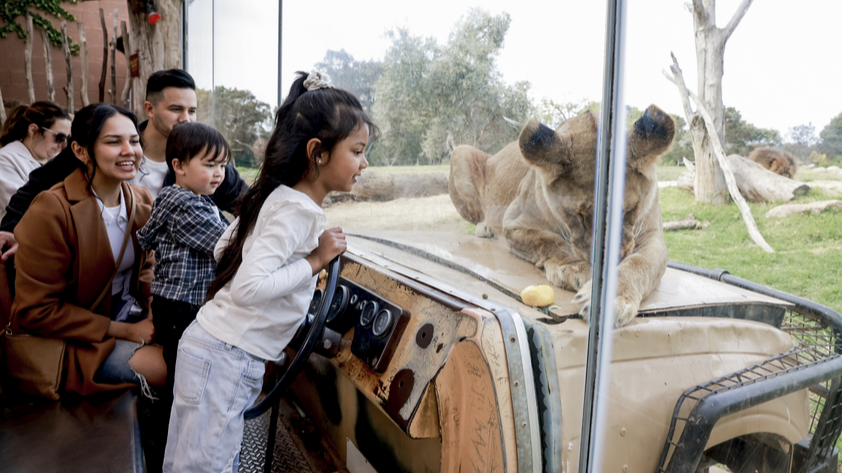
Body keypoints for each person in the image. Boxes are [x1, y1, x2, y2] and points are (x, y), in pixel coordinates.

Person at [162, 71, 378, 473]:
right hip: (226, 357)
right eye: (358, 150)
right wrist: (314, 261)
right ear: (318, 152)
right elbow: (249, 287)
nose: (365, 163)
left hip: (209, 347)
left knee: (184, 463)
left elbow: (223, 246)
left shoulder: (274, 194)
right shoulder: (297, 209)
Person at [11, 103, 166, 398]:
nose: (128, 151)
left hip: (129, 317)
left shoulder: (141, 200)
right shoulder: (52, 210)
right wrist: (125, 332)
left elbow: (147, 264)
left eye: (134, 141)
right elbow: (36, 311)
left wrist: (152, 307)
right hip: (71, 341)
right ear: (81, 151)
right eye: (113, 142)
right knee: (169, 367)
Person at [0, 68, 248, 239]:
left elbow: (249, 203)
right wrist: (11, 232)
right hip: (101, 266)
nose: (186, 119)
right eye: (176, 109)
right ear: (149, 109)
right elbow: (35, 189)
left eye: (192, 111)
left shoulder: (204, 161)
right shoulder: (103, 148)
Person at [137, 121, 231, 418]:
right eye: (210, 164)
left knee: (182, 367)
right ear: (178, 165)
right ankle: (173, 432)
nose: (219, 173)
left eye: (223, 165)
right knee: (184, 376)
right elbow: (224, 245)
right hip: (183, 305)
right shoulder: (184, 205)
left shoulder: (191, 199)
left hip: (178, 303)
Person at [0, 102, 71, 257]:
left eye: (67, 139)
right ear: (33, 130)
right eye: (59, 137)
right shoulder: (5, 160)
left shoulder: (54, 160)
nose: (63, 145)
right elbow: (21, 209)